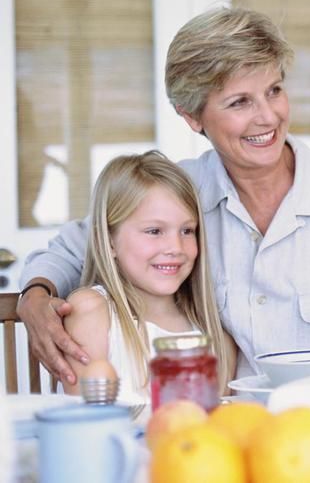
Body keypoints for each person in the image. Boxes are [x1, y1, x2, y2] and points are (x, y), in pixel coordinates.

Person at [19, 7, 310, 384]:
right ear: (193, 117)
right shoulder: (175, 197)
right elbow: (78, 246)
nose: (268, 116)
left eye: (274, 90)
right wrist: (34, 296)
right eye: (239, 103)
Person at [62, 151, 233, 403]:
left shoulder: (216, 338)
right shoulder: (92, 312)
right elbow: (86, 425)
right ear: (109, 240)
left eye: (187, 230)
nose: (175, 247)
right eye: (154, 231)